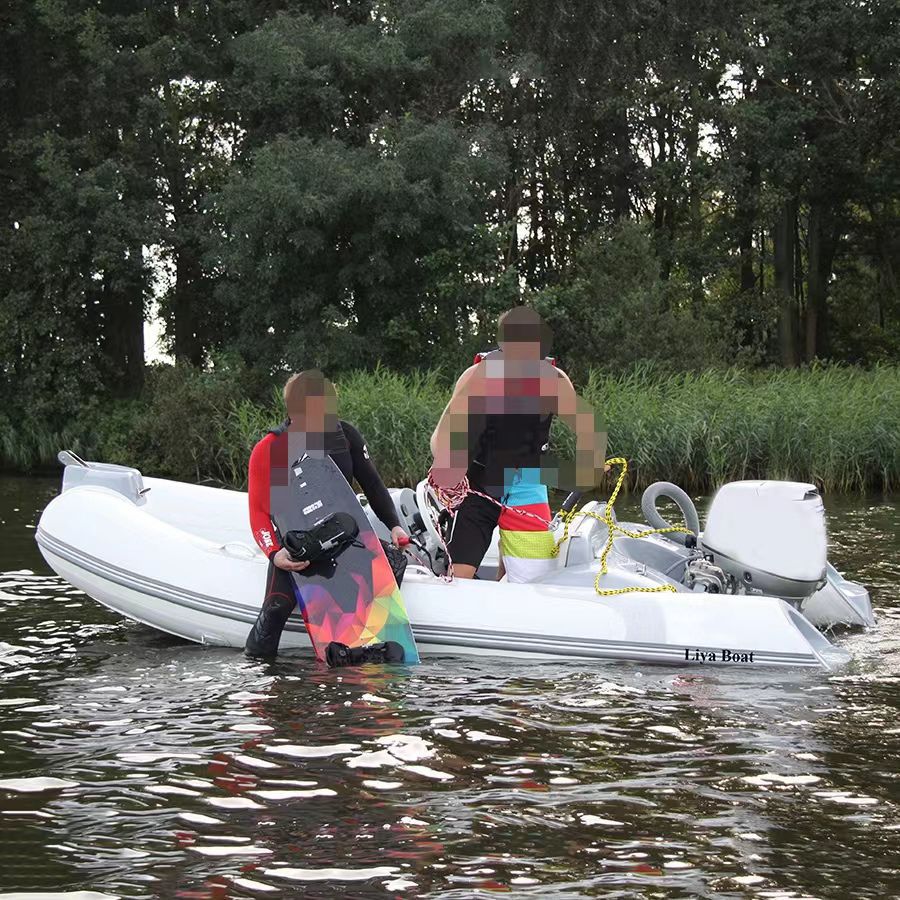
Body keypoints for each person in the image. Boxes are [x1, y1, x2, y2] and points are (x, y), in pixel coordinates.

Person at [429, 306, 607, 581]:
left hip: (527, 485)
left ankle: (506, 564)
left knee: (534, 581)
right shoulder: (475, 376)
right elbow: (439, 438)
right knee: (459, 578)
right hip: (478, 487)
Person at [245, 370, 409, 657]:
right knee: (276, 608)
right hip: (299, 546)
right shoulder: (269, 449)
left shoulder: (345, 437)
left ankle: (362, 642)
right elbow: (258, 512)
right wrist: (275, 553)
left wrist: (394, 525)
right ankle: (261, 679)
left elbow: (372, 484)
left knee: (394, 561)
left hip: (343, 539)